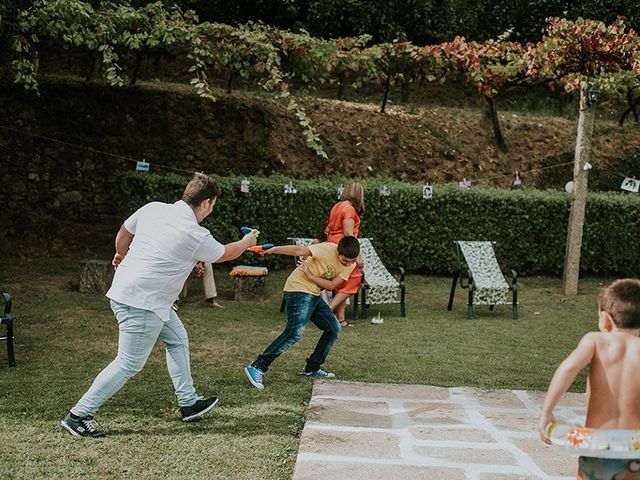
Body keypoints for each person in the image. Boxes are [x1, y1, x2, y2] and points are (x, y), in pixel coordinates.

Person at [60, 173, 257, 438]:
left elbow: (124, 233)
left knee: (177, 339)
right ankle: (79, 415)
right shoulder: (194, 232)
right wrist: (246, 243)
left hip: (138, 296)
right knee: (128, 363)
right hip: (143, 303)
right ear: (207, 203)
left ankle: (188, 402)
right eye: (213, 205)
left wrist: (121, 254)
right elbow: (226, 253)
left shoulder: (153, 208)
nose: (211, 210)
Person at [537, 278, 640, 479]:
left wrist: (546, 413)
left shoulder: (595, 340)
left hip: (597, 444)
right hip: (633, 447)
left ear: (605, 319)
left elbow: (567, 369)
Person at [244, 236, 360, 390]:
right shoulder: (326, 249)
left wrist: (311, 275)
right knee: (294, 332)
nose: (348, 264)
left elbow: (332, 285)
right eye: (345, 261)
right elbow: (299, 250)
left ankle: (312, 367)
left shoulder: (351, 263)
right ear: (338, 252)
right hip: (298, 288)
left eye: (352, 261)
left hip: (313, 292)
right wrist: (272, 249)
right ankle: (257, 367)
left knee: (333, 329)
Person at [326, 181, 365, 327]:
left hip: (334, 246)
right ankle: (328, 311)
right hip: (345, 248)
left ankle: (340, 320)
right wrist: (357, 257)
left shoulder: (337, 206)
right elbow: (349, 235)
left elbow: (329, 229)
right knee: (354, 280)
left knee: (342, 284)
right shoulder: (349, 210)